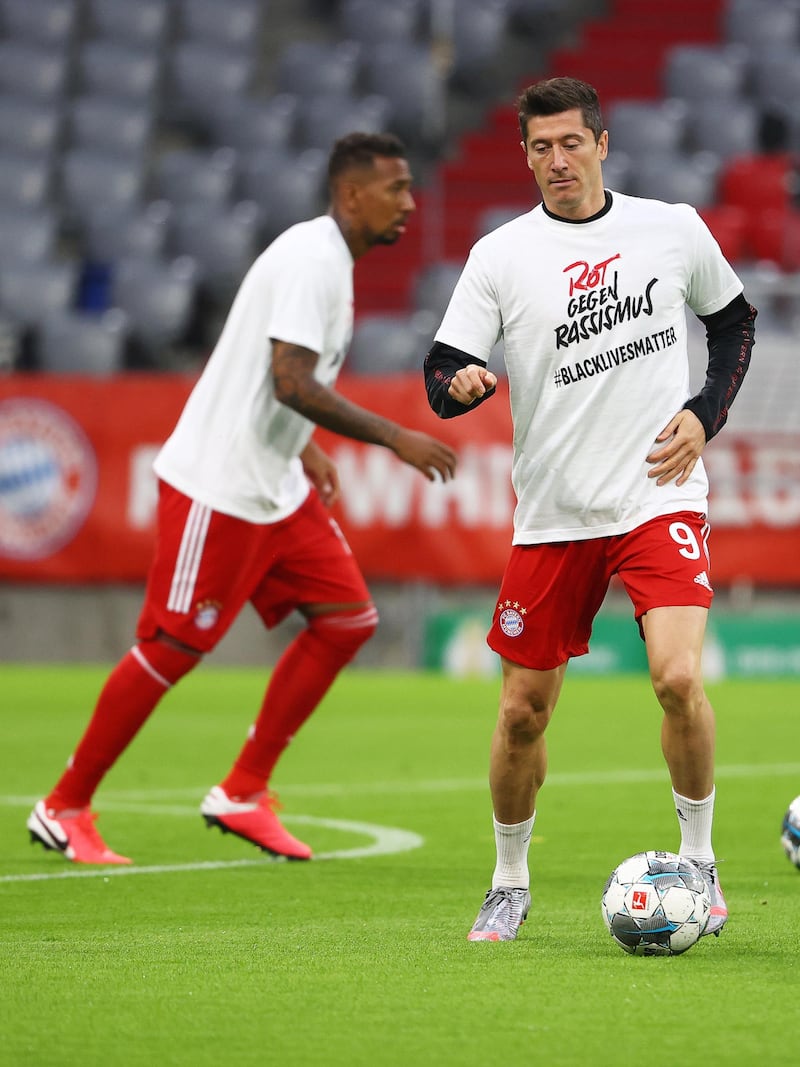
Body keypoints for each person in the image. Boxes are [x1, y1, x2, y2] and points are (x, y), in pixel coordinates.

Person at [28, 131, 457, 866]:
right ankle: (63, 805)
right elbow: (291, 379)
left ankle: (243, 790)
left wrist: (305, 444)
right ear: (352, 194)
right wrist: (394, 437)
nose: (410, 205)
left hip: (276, 481)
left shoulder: (328, 262)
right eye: (396, 190)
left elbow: (277, 378)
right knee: (173, 646)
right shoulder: (313, 261)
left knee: (347, 619)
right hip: (220, 483)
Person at [423, 77, 756, 941]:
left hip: (657, 490)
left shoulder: (672, 226)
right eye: (540, 147)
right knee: (521, 711)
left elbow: (735, 323)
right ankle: (507, 877)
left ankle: (701, 863)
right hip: (557, 511)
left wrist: (703, 413)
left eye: (572, 143)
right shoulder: (501, 255)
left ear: (603, 144)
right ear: (526, 155)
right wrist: (459, 384)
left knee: (678, 677)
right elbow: (443, 365)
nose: (557, 160)